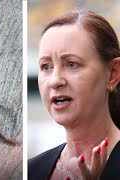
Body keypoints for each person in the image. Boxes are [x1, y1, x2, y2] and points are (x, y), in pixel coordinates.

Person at [28, 11, 120, 180]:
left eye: (72, 64)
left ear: (113, 73)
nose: (55, 81)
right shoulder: (30, 170)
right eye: (46, 66)